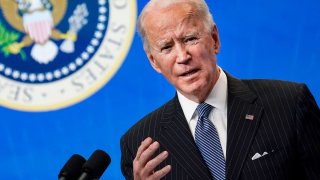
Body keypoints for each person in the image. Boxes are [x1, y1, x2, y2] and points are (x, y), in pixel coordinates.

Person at [120, 0, 320, 179]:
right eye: (166, 47)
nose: (182, 57)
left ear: (214, 39)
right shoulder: (139, 144)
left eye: (190, 39)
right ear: (154, 61)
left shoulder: (289, 103)